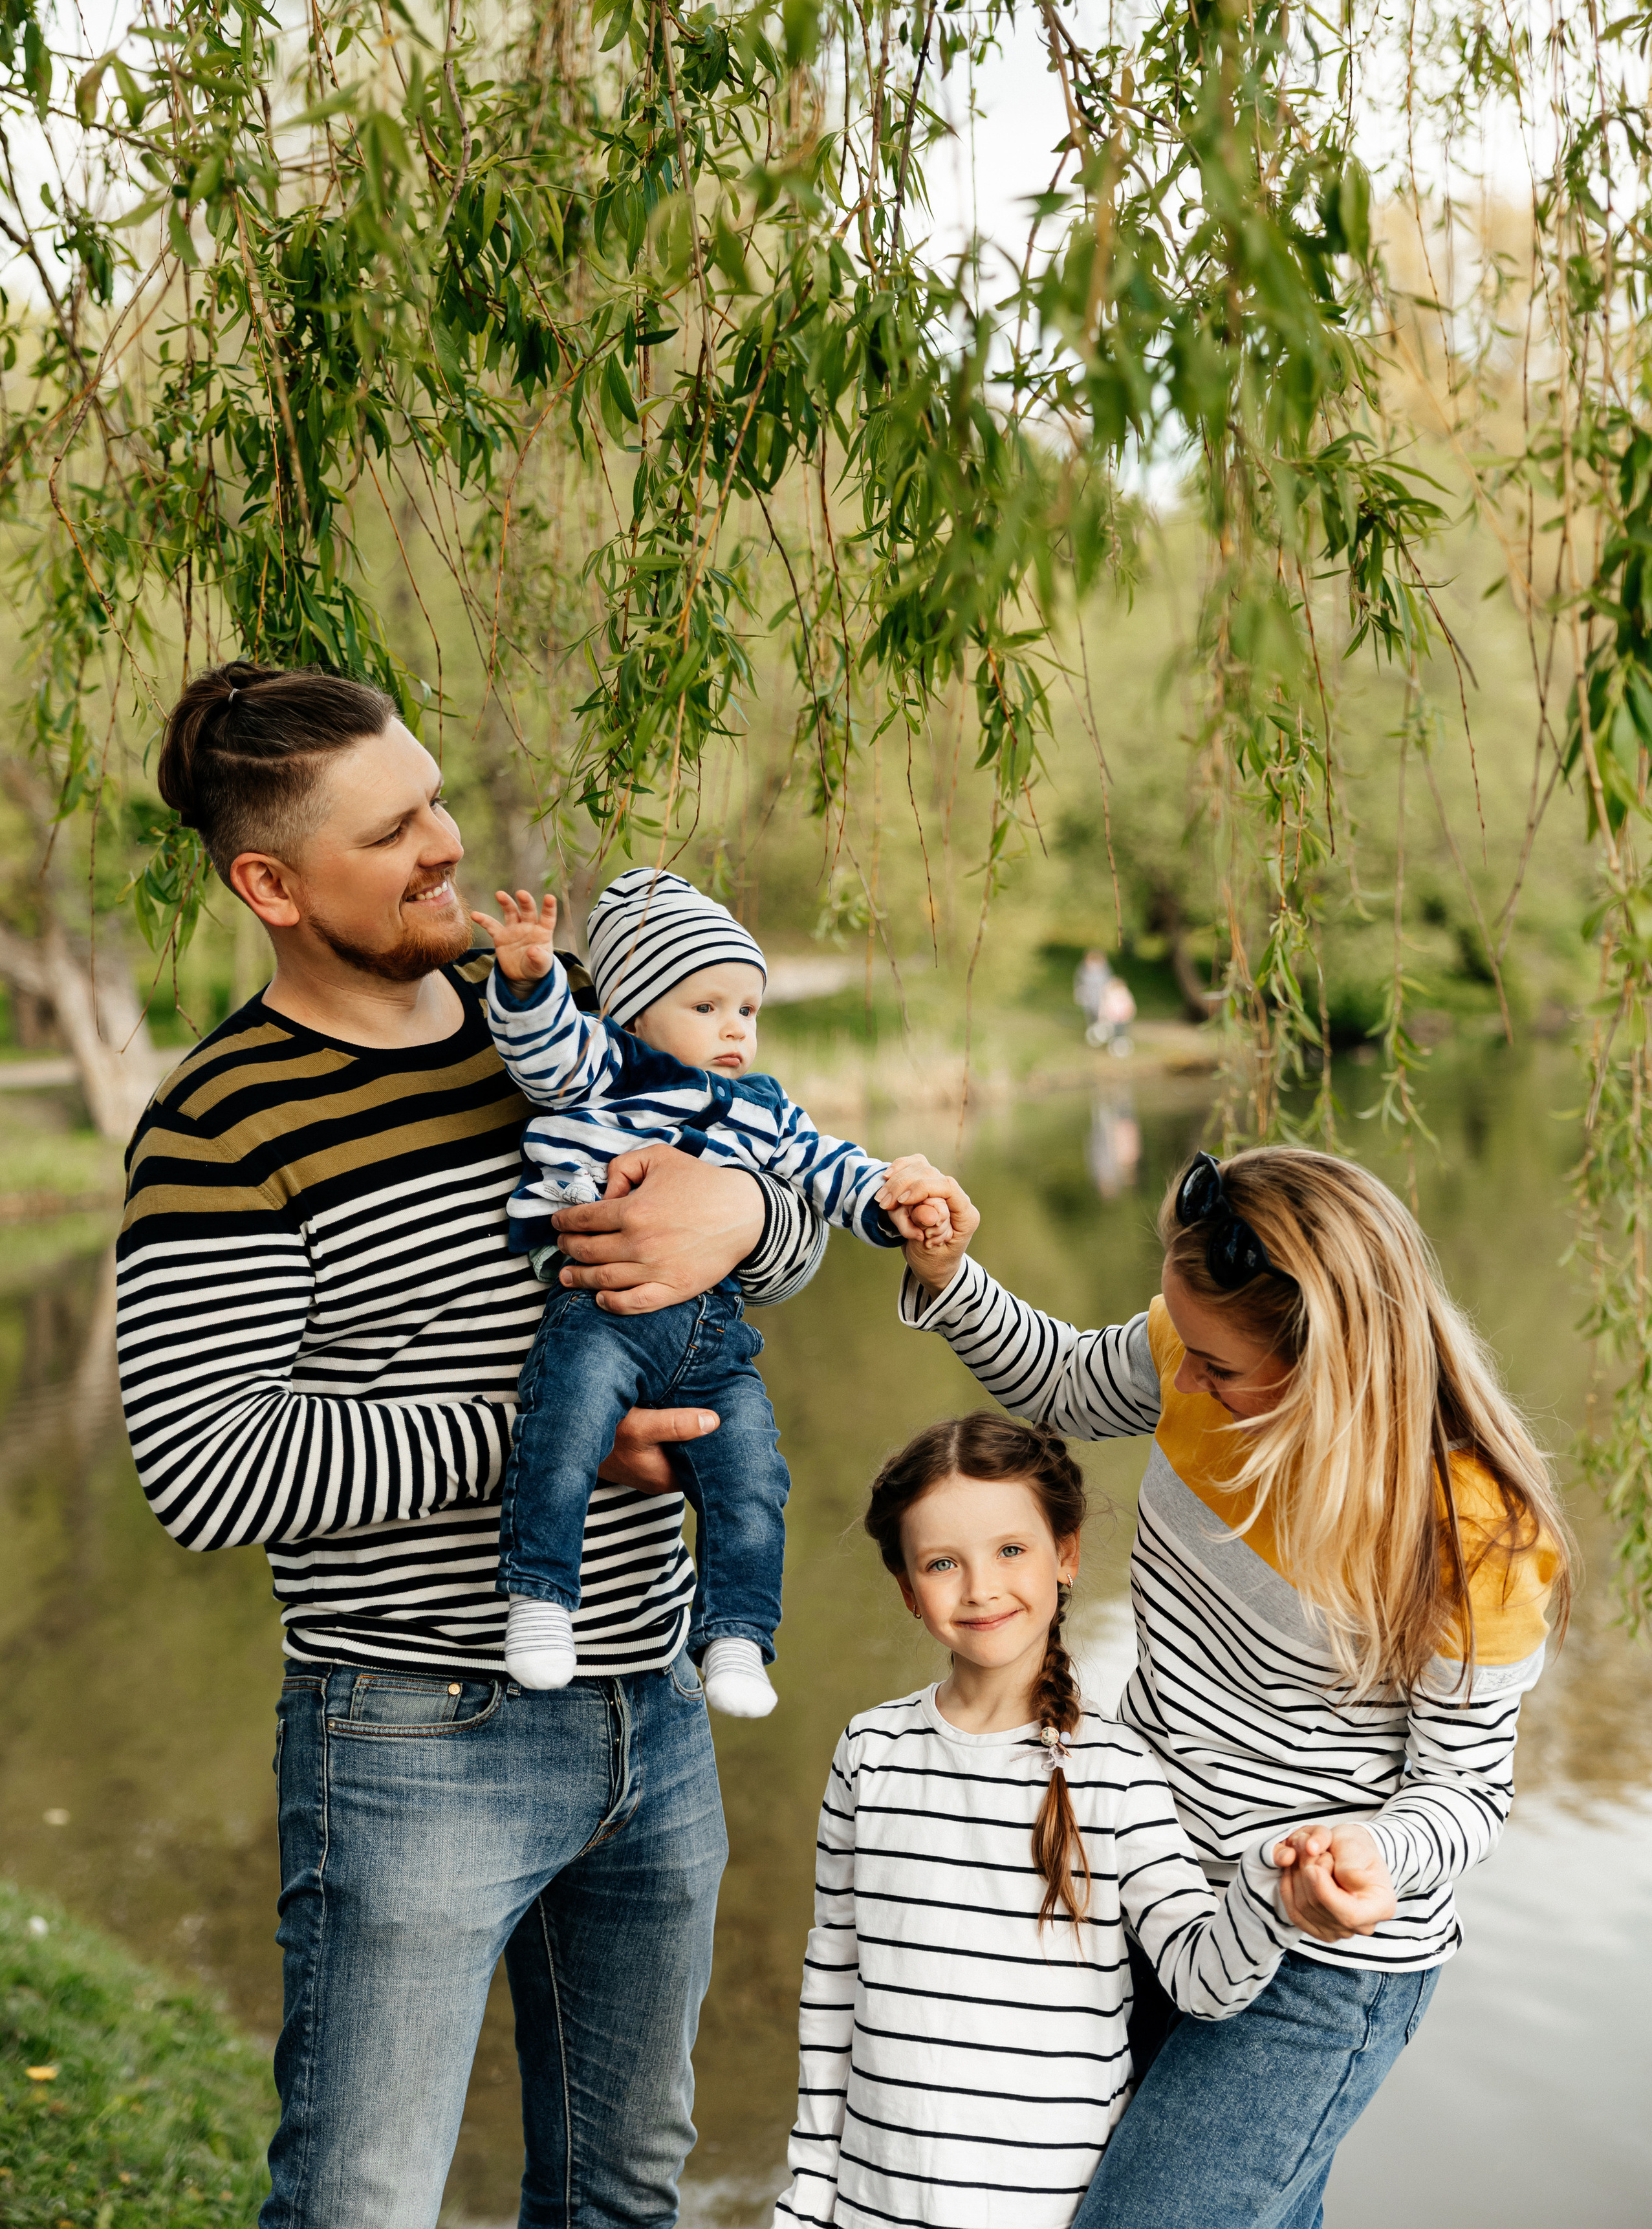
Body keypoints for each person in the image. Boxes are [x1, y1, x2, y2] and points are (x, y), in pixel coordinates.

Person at [116, 660, 836, 2229]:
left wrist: (748, 1212)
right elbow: (205, 1463)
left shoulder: (565, 1005)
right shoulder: (222, 1126)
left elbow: (758, 1216)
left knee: (622, 2191)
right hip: (411, 1738)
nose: (444, 844)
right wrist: (547, 1443)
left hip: (652, 1705)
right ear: (271, 882)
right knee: (361, 2203)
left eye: (434, 797)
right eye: (392, 832)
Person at [893, 1144, 1570, 2229]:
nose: (1183, 1382)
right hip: (1149, 1886)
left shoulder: (1465, 1533)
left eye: (1217, 1365)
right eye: (1184, 1344)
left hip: (1318, 1961)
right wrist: (946, 1275)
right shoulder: (1192, 1350)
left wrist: (1364, 1855)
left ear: (1337, 1358)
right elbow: (1065, 1379)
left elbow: (1466, 1792)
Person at [771, 1413, 1386, 2229]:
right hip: (867, 2204)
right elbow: (833, 1983)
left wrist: (1272, 1902)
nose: (981, 1587)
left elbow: (1202, 1982)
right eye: (943, 1563)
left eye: (1010, 1550)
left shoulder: (1118, 1771)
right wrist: (808, 2195)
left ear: (1065, 1555)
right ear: (908, 1589)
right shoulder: (871, 1750)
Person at [473, 871, 959, 1712]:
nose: (735, 1028)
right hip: (603, 1316)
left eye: (748, 1009)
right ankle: (541, 1597)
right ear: (630, 1008)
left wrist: (892, 1197)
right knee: (566, 1428)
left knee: (752, 1476)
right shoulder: (605, 1067)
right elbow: (543, 1047)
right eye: (706, 1007)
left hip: (714, 1337)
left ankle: (736, 1637)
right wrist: (527, 983)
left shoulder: (764, 1111)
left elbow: (828, 1167)